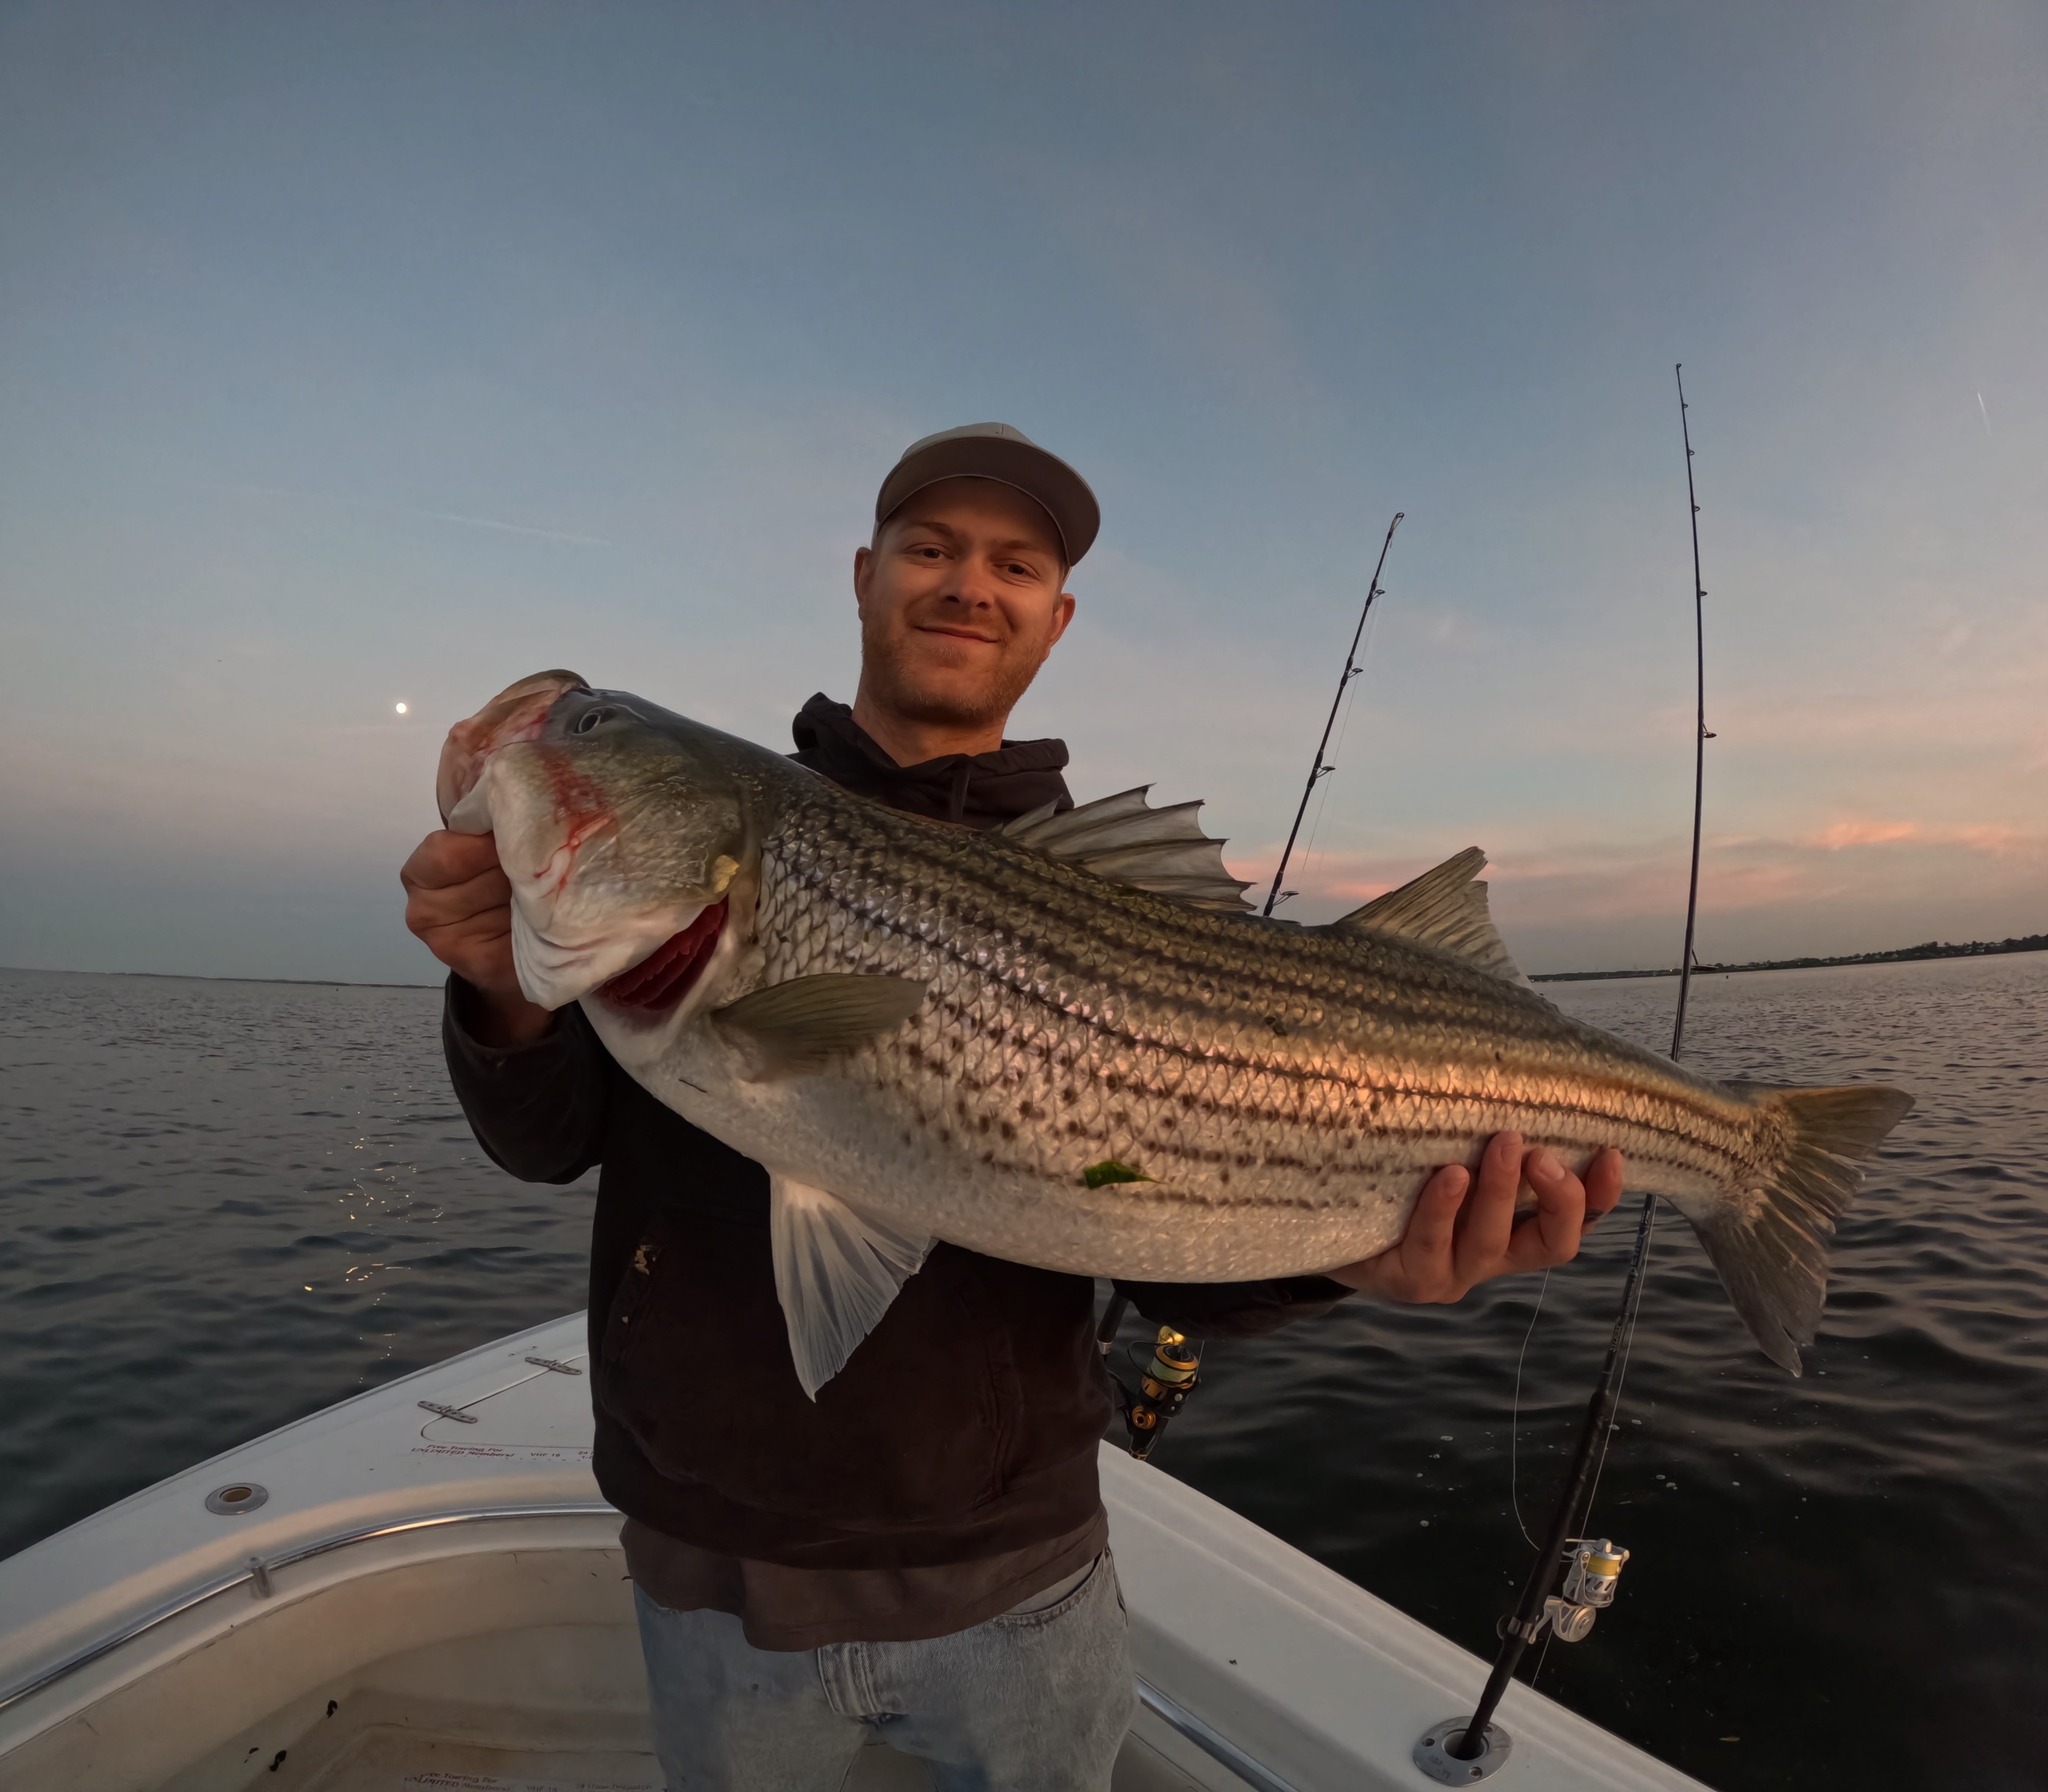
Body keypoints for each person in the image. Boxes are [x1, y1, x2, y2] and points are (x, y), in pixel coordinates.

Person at [400, 422, 1625, 1791]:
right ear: (864, 576)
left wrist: (1353, 1255)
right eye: (929, 548)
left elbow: (1179, 1253)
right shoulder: (684, 911)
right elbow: (544, 1141)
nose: (966, 583)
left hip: (1022, 1572)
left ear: (1058, 614)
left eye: (1014, 562)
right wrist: (505, 994)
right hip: (710, 1560)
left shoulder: (1116, 886)